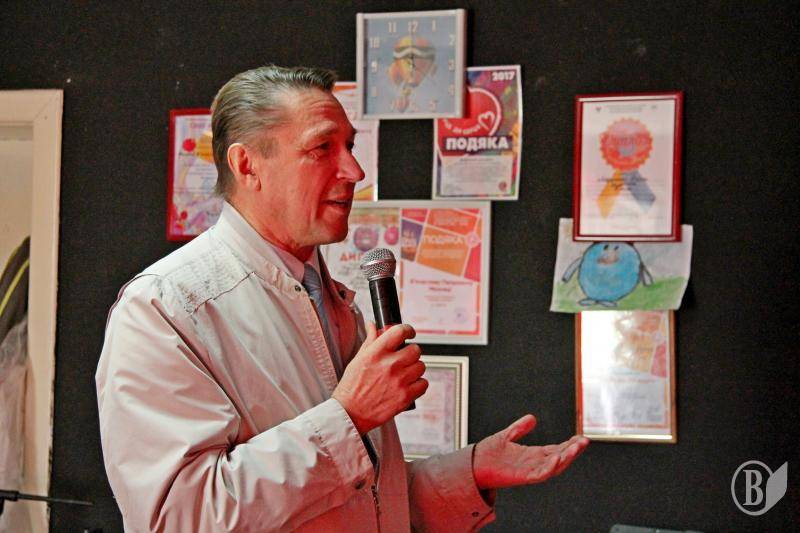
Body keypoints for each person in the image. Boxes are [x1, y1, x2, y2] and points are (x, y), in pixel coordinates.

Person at [96, 65, 588, 532]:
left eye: (349, 146)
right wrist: (349, 417)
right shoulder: (164, 309)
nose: (355, 170)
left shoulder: (330, 299)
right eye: (322, 148)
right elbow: (180, 518)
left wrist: (469, 472)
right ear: (248, 165)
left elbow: (353, 499)